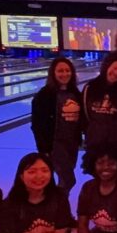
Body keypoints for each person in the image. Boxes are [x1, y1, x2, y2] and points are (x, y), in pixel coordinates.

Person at [30, 57, 83, 194]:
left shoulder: (75, 93)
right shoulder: (44, 95)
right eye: (60, 71)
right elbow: (37, 125)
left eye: (67, 70)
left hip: (72, 144)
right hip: (55, 145)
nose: (64, 74)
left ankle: (56, 209)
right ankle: (58, 207)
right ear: (53, 73)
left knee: (62, 179)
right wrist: (43, 149)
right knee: (68, 180)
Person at [82, 58, 117, 152]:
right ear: (107, 67)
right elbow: (83, 114)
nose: (116, 72)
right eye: (114, 68)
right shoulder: (89, 87)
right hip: (94, 139)